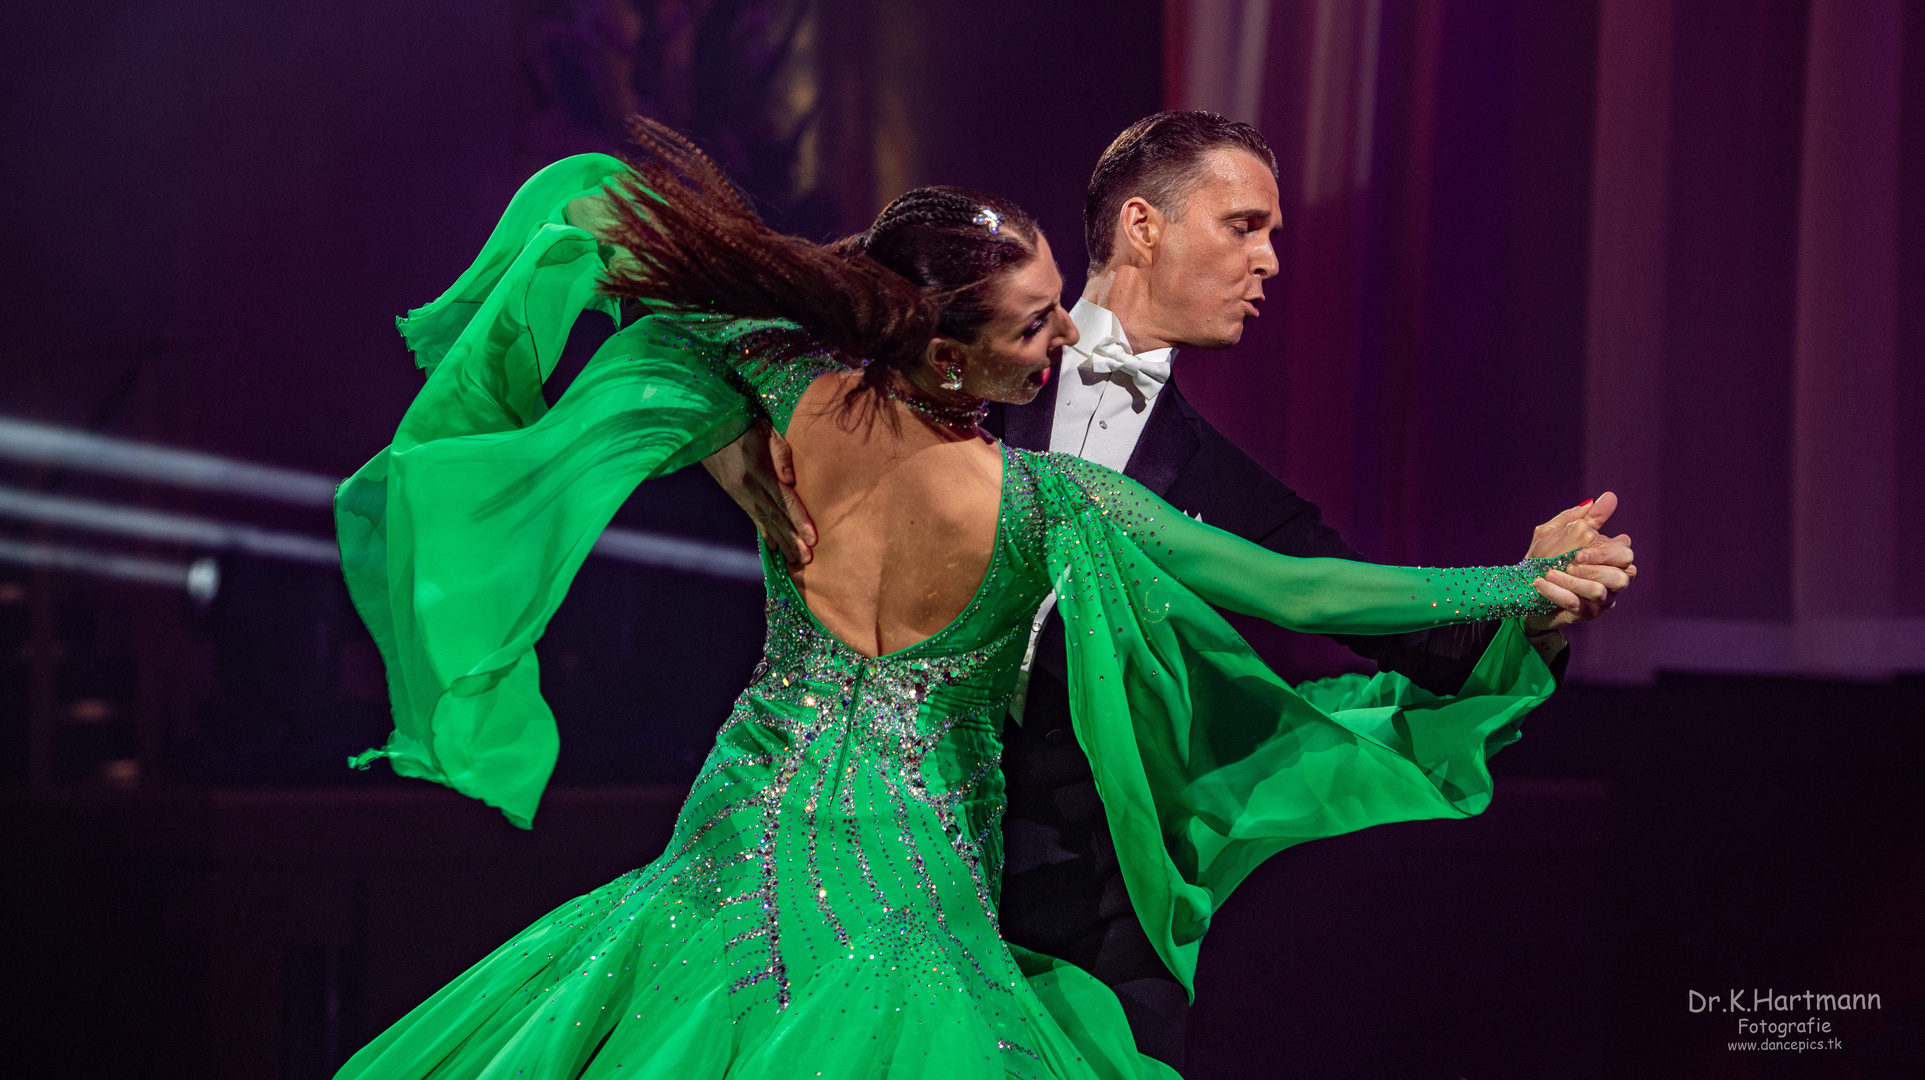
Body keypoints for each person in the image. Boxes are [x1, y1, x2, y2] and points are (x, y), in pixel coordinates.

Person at [332, 119, 1628, 1079]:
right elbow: (1289, 587)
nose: (1062, 338)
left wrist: (727, 449)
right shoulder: (1047, 499)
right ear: (944, 346)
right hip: (908, 920)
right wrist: (1513, 577)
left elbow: (631, 270)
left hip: (748, 847)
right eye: (1031, 325)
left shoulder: (791, 392)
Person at [703, 110, 1637, 1067]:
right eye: (1244, 226)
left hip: (1091, 903)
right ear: (1143, 226)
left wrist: (1540, 596)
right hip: (871, 863)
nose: (1269, 261)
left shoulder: (1228, 490)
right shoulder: (962, 338)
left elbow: (1387, 630)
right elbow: (700, 322)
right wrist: (720, 439)